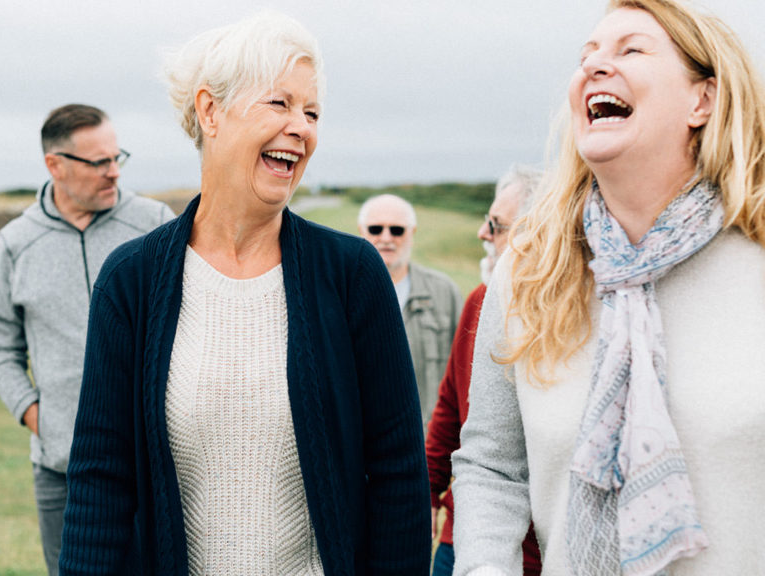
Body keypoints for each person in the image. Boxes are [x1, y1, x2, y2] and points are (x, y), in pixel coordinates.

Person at [59, 11, 430, 575]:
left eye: (312, 113)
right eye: (279, 104)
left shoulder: (352, 274)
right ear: (210, 111)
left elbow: (398, 473)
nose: (301, 128)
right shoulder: (130, 280)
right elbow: (100, 481)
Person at [451, 0, 765, 574]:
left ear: (704, 99)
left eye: (631, 50)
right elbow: (493, 466)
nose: (595, 67)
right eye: (586, 56)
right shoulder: (529, 268)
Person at [0, 104, 174, 576]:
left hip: (156, 469)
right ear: (55, 165)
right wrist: (37, 416)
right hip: (62, 472)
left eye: (117, 157)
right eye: (99, 162)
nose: (114, 173)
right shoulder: (14, 243)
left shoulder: (156, 226)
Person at [424, 165, 543, 576]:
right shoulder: (480, 301)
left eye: (496, 225)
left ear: (538, 232)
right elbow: (449, 410)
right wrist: (428, 493)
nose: (482, 233)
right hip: (461, 541)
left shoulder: (570, 314)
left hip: (538, 557)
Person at [357, 194, 463, 428]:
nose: (386, 238)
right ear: (361, 231)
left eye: (397, 230)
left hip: (430, 444)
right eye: (375, 229)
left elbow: (466, 375)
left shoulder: (445, 292)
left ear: (412, 233)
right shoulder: (341, 293)